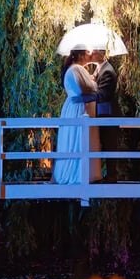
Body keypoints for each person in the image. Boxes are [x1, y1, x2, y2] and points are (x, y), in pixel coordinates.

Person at [51, 47, 101, 185]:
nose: (90, 56)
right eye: (87, 53)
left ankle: (82, 173)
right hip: (79, 108)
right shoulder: (75, 69)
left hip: (78, 106)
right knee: (77, 139)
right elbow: (83, 88)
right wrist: (94, 83)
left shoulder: (75, 70)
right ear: (81, 55)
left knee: (79, 138)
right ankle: (77, 174)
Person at [89, 48, 121, 181]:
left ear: (101, 54)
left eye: (94, 52)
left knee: (109, 144)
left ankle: (111, 176)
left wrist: (86, 97)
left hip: (108, 114)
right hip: (102, 113)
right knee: (103, 143)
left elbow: (104, 94)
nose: (91, 54)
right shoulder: (99, 69)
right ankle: (104, 174)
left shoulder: (107, 71)